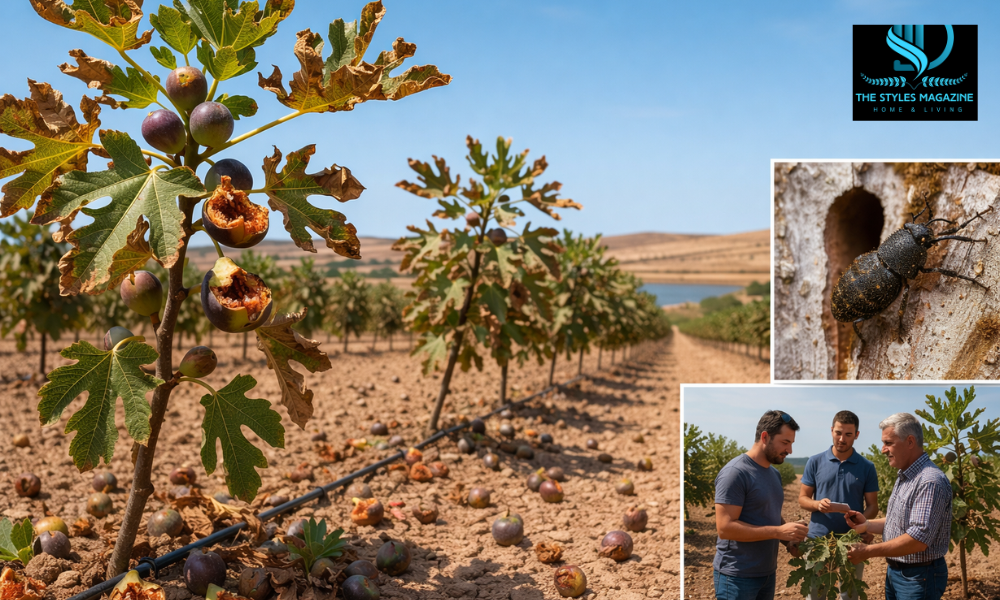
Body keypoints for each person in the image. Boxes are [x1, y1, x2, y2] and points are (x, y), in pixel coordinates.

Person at [845, 413, 952, 600]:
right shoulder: (905, 475)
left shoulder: (929, 481)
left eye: (888, 443)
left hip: (919, 577)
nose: (883, 449)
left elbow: (917, 539)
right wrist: (867, 525)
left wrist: (868, 551)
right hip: (899, 573)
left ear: (910, 441)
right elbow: (898, 521)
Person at [714, 410, 808, 600]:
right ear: (765, 437)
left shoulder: (774, 474)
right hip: (736, 577)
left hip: (766, 575)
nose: (790, 451)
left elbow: (770, 514)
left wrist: (789, 542)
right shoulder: (736, 473)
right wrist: (778, 532)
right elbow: (725, 528)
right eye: (785, 442)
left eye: (791, 443)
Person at [797, 410, 879, 600]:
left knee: (849, 595)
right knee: (815, 595)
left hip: (851, 542)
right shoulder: (815, 461)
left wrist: (860, 525)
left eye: (848, 434)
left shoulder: (867, 467)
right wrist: (818, 504)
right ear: (832, 430)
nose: (842, 439)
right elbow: (802, 499)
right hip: (817, 541)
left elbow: (873, 506)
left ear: (856, 435)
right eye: (838, 433)